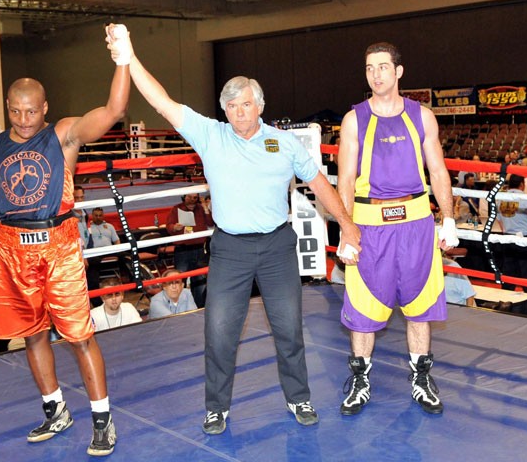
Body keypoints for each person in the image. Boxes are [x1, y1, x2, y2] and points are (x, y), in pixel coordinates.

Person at [126, 35, 361, 434]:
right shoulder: (210, 135)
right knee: (219, 331)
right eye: (231, 105)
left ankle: (299, 397)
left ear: (260, 106)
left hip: (276, 246)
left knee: (288, 328)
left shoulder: (284, 143)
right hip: (230, 248)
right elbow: (162, 102)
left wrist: (349, 225)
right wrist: (129, 57)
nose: (238, 112)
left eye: (246, 103)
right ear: (224, 110)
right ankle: (217, 407)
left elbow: (320, 185)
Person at [0, 23, 132, 456]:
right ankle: (56, 409)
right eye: (15, 111)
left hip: (59, 246)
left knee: (78, 335)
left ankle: (102, 418)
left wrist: (123, 58)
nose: (22, 120)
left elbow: (112, 111)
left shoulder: (63, 134)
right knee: (32, 335)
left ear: (45, 108)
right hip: (12, 248)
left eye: (30, 112)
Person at [337, 42, 458, 416]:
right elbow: (344, 178)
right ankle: (360, 380)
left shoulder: (422, 116)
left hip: (417, 223)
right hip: (370, 226)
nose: (376, 74)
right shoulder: (354, 119)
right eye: (370, 67)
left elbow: (437, 171)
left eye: (383, 67)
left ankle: (421, 377)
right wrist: (345, 228)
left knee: (420, 306)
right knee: (363, 306)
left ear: (398, 72)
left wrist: (449, 217)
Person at [497, 174, 527, 316]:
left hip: (508, 240)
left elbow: (500, 222)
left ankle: (505, 307)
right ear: (522, 184)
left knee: (509, 276)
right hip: (525, 241)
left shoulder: (501, 198)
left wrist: (506, 234)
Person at [165, 193, 214, 307]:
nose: (193, 199)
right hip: (183, 250)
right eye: (190, 197)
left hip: (199, 249)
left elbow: (210, 223)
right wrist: (175, 227)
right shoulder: (176, 209)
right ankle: (179, 307)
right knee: (180, 280)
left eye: (195, 197)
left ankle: (199, 307)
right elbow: (169, 227)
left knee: (200, 281)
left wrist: (206, 208)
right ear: (184, 197)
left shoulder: (201, 208)